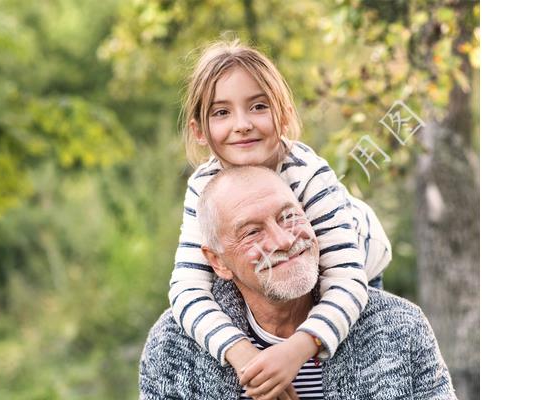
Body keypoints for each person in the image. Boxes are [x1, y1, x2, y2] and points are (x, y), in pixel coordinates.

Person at [169, 39, 392, 398]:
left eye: (258, 106)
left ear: (284, 115)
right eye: (221, 112)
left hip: (355, 263)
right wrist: (243, 354)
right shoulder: (204, 187)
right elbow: (186, 289)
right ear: (199, 130)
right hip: (275, 280)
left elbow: (346, 280)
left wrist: (296, 350)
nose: (241, 125)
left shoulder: (308, 175)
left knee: (357, 362)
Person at [143, 166, 456, 400]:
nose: (283, 240)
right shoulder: (173, 344)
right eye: (252, 232)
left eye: (288, 216)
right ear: (218, 262)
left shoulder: (400, 327)